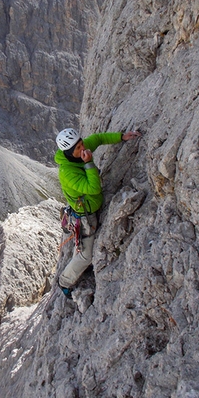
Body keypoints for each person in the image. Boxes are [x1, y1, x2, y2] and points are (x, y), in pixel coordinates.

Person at [55, 127, 141, 298]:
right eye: (78, 148)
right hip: (85, 215)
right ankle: (64, 281)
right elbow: (93, 188)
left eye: (81, 144)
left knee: (85, 250)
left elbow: (99, 138)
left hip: (90, 206)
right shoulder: (67, 172)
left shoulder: (78, 150)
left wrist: (121, 137)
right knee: (85, 257)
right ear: (70, 152)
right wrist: (88, 163)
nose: (83, 149)